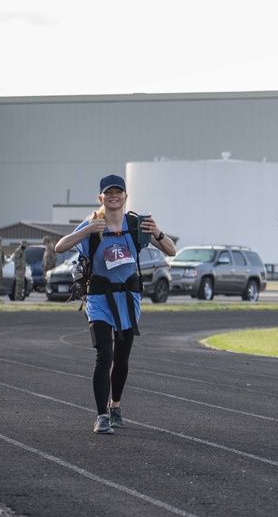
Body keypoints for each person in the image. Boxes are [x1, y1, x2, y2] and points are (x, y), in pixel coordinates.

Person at [55, 174, 176, 434]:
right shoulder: (93, 226)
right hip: (99, 299)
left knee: (122, 359)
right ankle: (101, 416)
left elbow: (171, 250)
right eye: (108, 192)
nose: (113, 196)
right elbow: (59, 247)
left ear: (125, 197)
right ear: (101, 198)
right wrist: (87, 229)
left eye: (118, 192)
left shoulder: (136, 226)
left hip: (127, 299)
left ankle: (116, 406)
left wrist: (157, 232)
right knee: (104, 356)